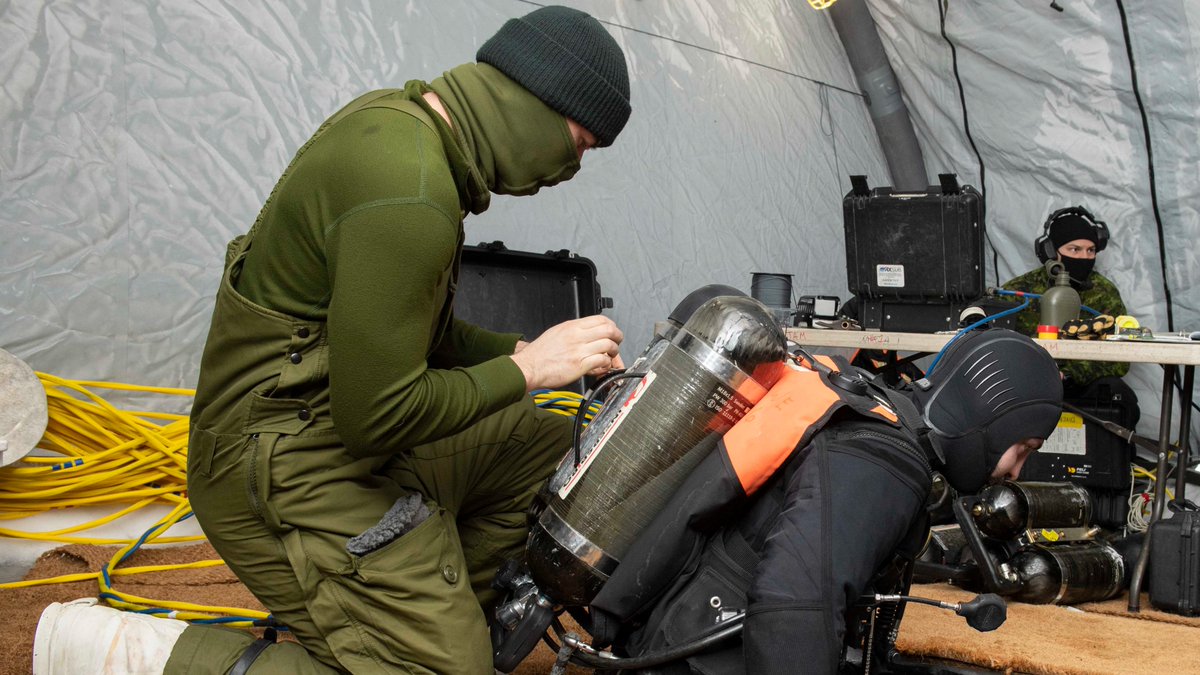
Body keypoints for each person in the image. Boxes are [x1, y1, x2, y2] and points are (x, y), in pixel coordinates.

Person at [33, 6, 631, 674]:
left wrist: (520, 352)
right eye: (577, 144)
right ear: (530, 104)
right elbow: (375, 418)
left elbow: (403, 334)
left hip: (310, 425)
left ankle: (414, 618)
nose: (573, 168)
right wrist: (526, 373)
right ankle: (130, 654)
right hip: (273, 464)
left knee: (548, 451)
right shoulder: (410, 193)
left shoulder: (404, 128)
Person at [585, 328, 1063, 673]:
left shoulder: (875, 415)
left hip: (685, 632)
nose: (1017, 471)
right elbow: (795, 606)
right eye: (1023, 448)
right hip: (695, 657)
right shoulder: (883, 464)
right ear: (989, 420)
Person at [1002, 206, 1130, 391]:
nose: (1084, 257)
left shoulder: (1104, 291)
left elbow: (1120, 359)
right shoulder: (1019, 290)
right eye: (1075, 249)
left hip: (1080, 385)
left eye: (1091, 250)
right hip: (1029, 383)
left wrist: (1069, 374)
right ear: (1051, 252)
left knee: (1121, 395)